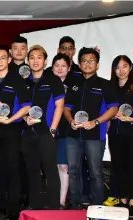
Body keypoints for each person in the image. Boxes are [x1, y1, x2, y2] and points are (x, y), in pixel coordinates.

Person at [63, 47, 119, 209]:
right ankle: (75, 203)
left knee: (96, 172)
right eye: (84, 61)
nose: (87, 64)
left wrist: (95, 122)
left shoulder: (105, 84)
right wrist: (70, 120)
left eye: (91, 61)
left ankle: (97, 206)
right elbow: (66, 108)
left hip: (95, 135)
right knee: (73, 170)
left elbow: (113, 109)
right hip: (73, 134)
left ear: (97, 64)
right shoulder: (74, 84)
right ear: (79, 65)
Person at [0, 46, 30, 220]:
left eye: (2, 58)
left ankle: (13, 209)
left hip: (12, 129)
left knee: (13, 168)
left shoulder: (17, 80)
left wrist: (10, 119)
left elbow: (26, 106)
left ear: (9, 59)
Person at [18, 45, 64, 210]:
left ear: (45, 61)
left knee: (50, 171)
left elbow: (60, 106)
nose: (35, 61)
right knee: (32, 171)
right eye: (32, 58)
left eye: (39, 57)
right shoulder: (24, 81)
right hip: (28, 133)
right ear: (28, 61)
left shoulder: (53, 80)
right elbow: (20, 107)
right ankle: (35, 205)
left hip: (47, 133)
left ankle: (53, 207)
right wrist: (24, 118)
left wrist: (52, 129)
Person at [106, 55, 133, 217]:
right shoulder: (110, 87)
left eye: (124, 66)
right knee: (118, 167)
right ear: (114, 70)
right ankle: (122, 198)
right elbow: (105, 110)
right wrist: (111, 115)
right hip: (115, 133)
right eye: (117, 67)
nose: (121, 70)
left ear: (130, 68)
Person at [51, 53, 84, 208]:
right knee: (52, 166)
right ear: (52, 68)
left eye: (63, 66)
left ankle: (62, 201)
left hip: (69, 130)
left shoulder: (76, 85)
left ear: (69, 68)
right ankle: (53, 198)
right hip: (50, 130)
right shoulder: (47, 84)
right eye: (56, 65)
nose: (60, 68)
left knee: (65, 166)